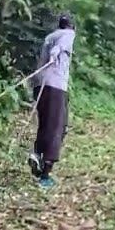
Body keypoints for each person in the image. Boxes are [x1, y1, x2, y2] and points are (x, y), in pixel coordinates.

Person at [28, 13, 76, 188]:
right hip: (55, 85)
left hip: (40, 84)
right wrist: (55, 55)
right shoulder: (68, 35)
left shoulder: (50, 36)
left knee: (45, 125)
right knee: (58, 127)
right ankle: (45, 175)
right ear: (71, 26)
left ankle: (37, 155)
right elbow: (59, 48)